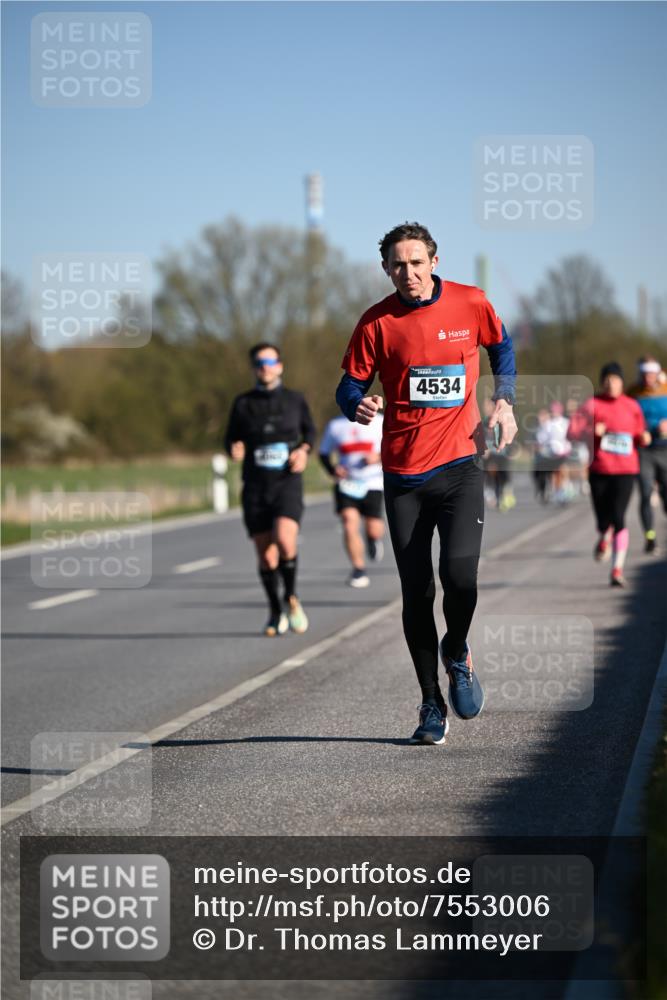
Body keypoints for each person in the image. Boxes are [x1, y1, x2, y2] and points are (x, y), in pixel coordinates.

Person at [336, 222, 517, 745]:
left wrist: (504, 400)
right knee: (417, 592)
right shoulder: (376, 323)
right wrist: (358, 403)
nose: (408, 273)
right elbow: (348, 384)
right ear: (386, 269)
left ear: (433, 262)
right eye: (398, 265)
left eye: (417, 263)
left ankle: (456, 651)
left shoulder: (470, 302)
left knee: (460, 579)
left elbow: (501, 349)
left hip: (460, 465)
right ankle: (429, 702)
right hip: (403, 476)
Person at [224, 342, 315, 635]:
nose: (265, 367)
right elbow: (231, 438)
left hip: (286, 483)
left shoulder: (295, 400)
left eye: (270, 361)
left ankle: (291, 598)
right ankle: (275, 611)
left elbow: (310, 431)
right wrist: (233, 448)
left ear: (280, 365)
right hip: (255, 486)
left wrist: (303, 450)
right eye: (260, 363)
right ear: (254, 368)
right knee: (265, 556)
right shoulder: (242, 403)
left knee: (285, 540)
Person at [568, 362, 649, 586]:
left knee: (620, 518)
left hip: (626, 470)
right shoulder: (591, 405)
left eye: (615, 379)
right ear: (602, 382)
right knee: (604, 520)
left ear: (622, 382)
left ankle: (616, 569)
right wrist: (590, 431)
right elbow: (571, 433)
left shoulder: (632, 406)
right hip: (600, 471)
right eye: (607, 379)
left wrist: (644, 438)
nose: (611, 383)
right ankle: (604, 535)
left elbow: (639, 433)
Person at [318, 413, 386, 588]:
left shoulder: (379, 421)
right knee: (349, 522)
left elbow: (396, 447)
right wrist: (333, 470)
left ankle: (372, 539)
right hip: (347, 483)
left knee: (374, 528)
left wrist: (377, 458)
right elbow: (324, 453)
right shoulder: (335, 425)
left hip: (373, 482)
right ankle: (358, 568)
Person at [627, 355, 667, 553]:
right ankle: (650, 536)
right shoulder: (633, 392)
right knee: (645, 493)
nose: (647, 378)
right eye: (644, 374)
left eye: (651, 373)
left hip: (665, 449)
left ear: (657, 372)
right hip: (644, 451)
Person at [481, 397, 516, 511]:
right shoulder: (482, 422)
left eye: (488, 405)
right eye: (484, 406)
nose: (486, 408)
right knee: (490, 471)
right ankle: (493, 494)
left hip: (501, 454)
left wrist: (509, 448)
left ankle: (505, 493)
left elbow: (509, 435)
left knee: (502, 477)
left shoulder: (500, 420)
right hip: (490, 457)